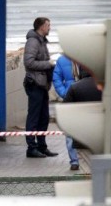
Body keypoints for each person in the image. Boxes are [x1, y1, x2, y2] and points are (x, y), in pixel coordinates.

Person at [23, 17, 58, 158]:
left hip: (42, 84)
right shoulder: (33, 42)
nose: (50, 28)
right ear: (41, 27)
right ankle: (31, 148)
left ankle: (42, 146)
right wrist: (48, 64)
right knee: (34, 117)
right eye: (48, 25)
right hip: (35, 84)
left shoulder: (42, 42)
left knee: (44, 117)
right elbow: (29, 63)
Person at [52, 54, 81, 170]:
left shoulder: (87, 57)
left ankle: (83, 158)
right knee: (70, 131)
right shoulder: (62, 60)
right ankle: (74, 160)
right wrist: (64, 93)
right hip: (70, 99)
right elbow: (56, 79)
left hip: (84, 97)